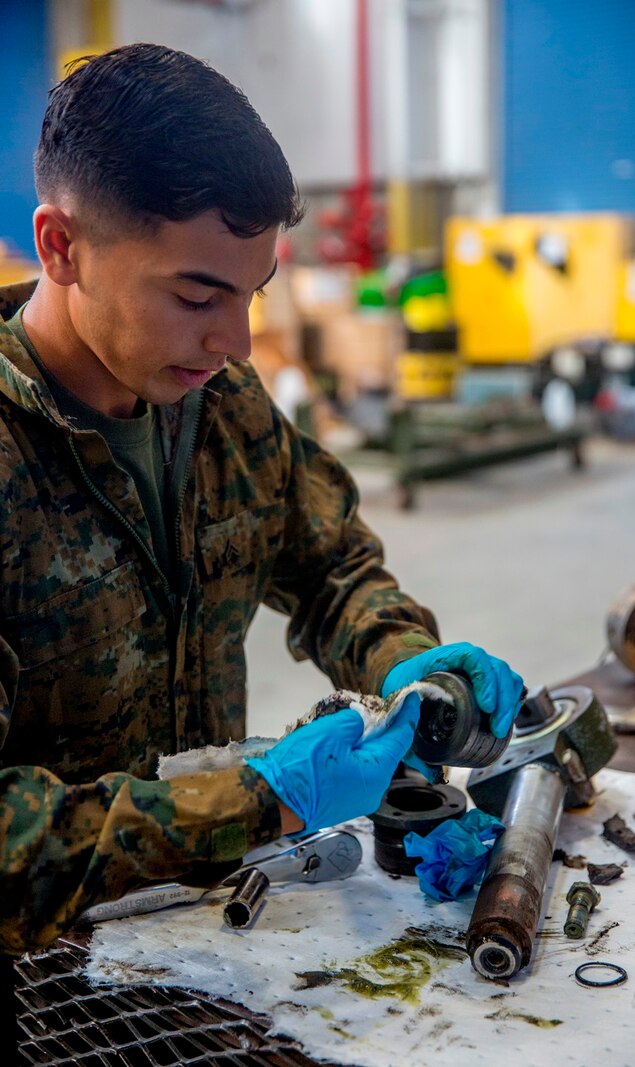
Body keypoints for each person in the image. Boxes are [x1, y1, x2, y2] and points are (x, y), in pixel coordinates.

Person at [0, 44, 524, 956]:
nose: (237, 340)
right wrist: (259, 801)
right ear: (61, 245)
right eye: (197, 293)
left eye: (252, 293)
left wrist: (408, 664)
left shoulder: (218, 408)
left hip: (203, 946)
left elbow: (330, 568)